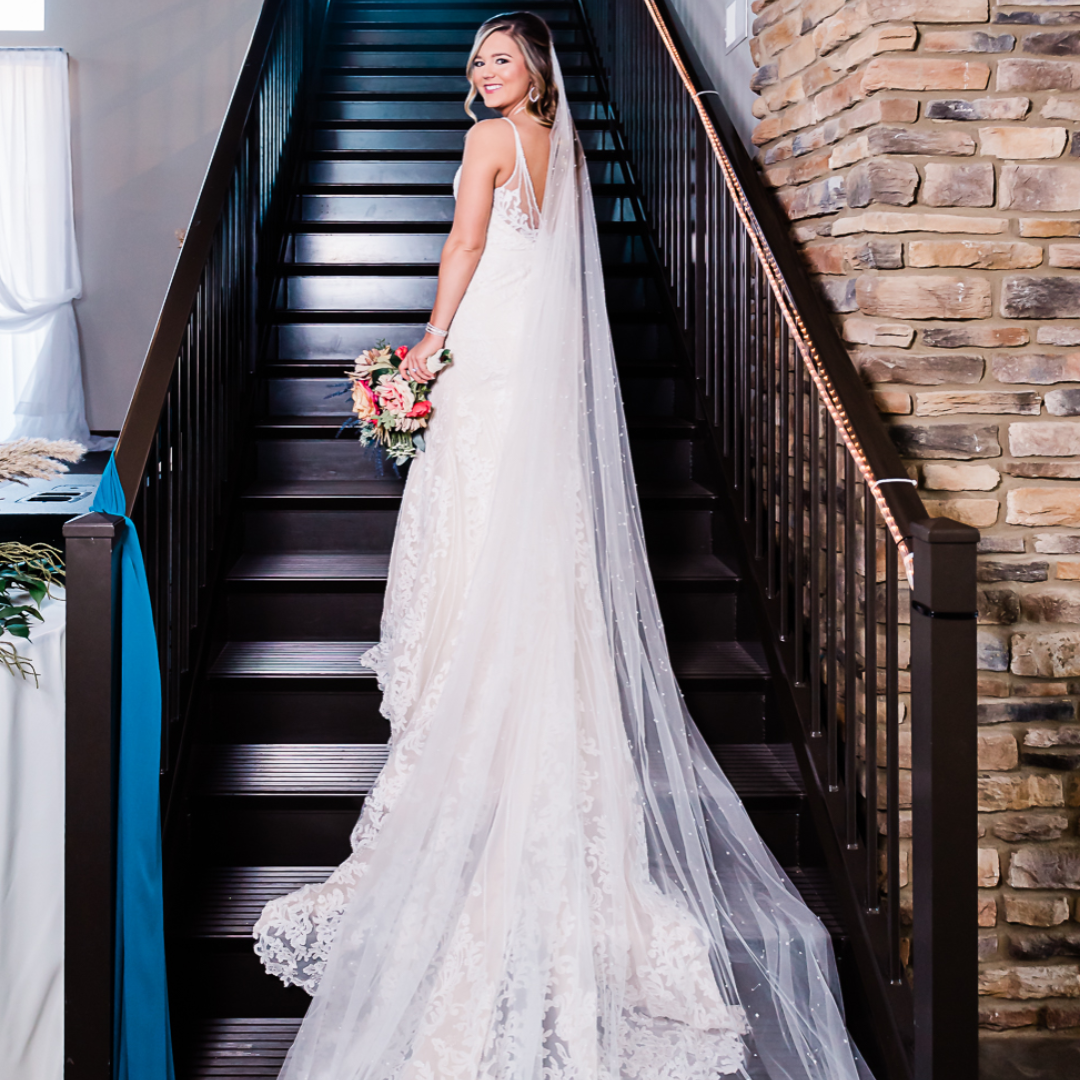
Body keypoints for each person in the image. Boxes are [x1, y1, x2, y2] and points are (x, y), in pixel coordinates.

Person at [253, 13, 874, 1080]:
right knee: (516, 532)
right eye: (476, 61)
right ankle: (513, 689)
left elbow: (465, 247)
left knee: (475, 516)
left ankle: (468, 697)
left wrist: (426, 351)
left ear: (533, 69)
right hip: (530, 364)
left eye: (499, 59)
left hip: (491, 353)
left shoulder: (492, 140)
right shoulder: (568, 147)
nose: (480, 73)